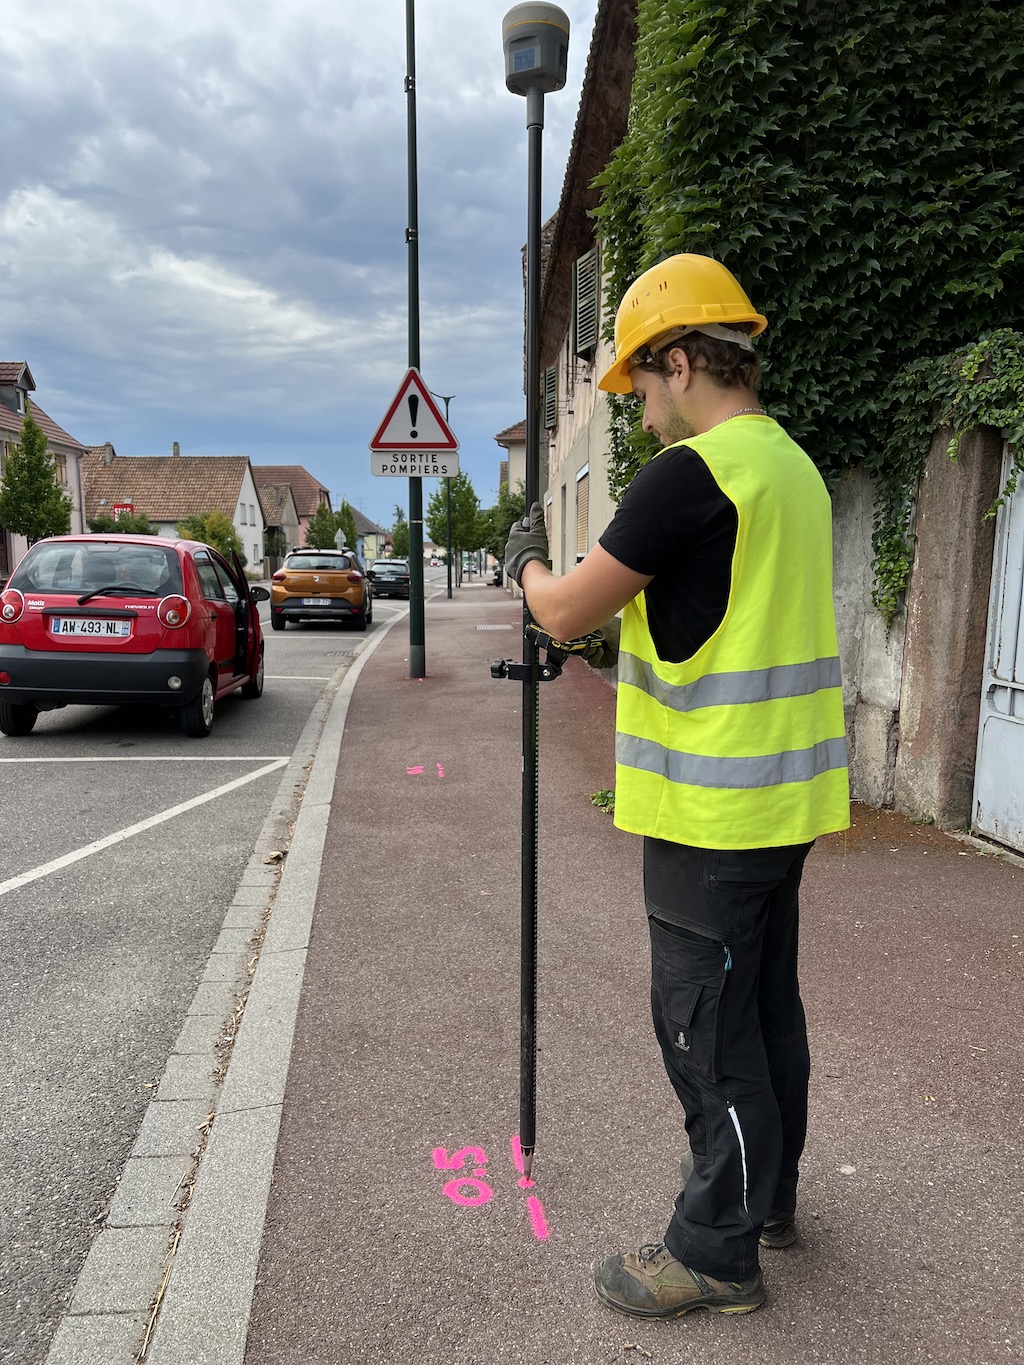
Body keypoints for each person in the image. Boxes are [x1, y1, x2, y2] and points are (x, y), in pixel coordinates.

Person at [504, 254, 850, 1321]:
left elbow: (564, 612)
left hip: (709, 811)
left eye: (641, 387)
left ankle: (714, 1251)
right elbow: (719, 612)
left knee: (704, 1028)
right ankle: (768, 1199)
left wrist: (525, 560)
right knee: (761, 1013)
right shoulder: (788, 467)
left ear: (684, 360)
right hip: (780, 800)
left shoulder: (693, 473)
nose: (640, 410)